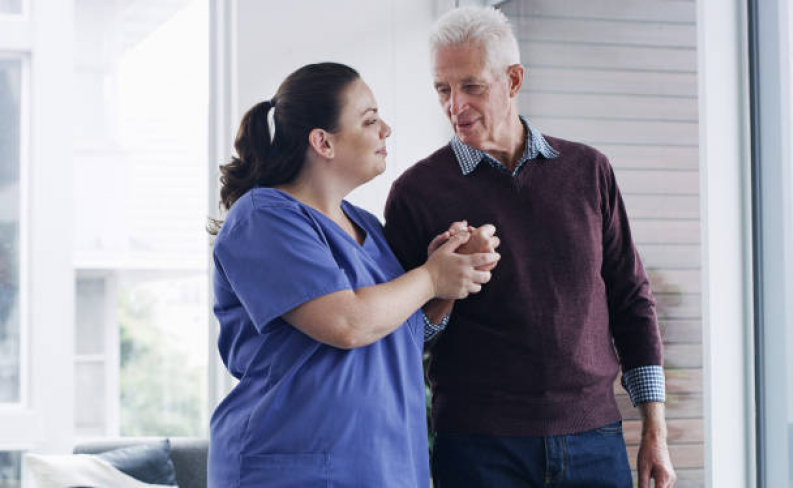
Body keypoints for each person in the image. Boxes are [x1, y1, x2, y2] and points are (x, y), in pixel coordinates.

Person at [383, 7, 677, 488]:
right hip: (477, 447)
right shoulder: (417, 193)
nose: (455, 105)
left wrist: (655, 430)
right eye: (443, 89)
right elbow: (400, 338)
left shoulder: (589, 171)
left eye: (471, 86)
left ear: (513, 79)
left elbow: (631, 301)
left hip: (595, 440)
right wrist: (444, 283)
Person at [206, 62, 500, 488]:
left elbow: (401, 335)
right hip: (292, 470)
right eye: (369, 120)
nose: (386, 130)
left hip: (385, 467)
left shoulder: (368, 228)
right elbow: (347, 323)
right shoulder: (264, 216)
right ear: (323, 142)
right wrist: (429, 277)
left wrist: (450, 273)